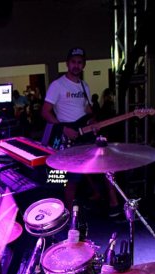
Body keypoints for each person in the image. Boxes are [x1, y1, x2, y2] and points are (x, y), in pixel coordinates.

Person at [41, 47, 120, 215]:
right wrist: (63, 128)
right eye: (73, 62)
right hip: (69, 136)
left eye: (79, 62)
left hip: (86, 133)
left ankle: (114, 204)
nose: (76, 66)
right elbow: (45, 111)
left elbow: (87, 109)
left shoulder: (85, 86)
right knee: (72, 179)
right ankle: (69, 214)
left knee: (105, 164)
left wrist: (93, 121)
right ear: (67, 63)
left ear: (83, 65)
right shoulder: (57, 85)